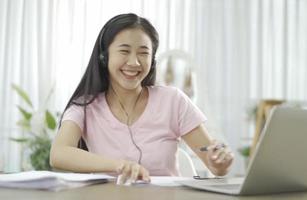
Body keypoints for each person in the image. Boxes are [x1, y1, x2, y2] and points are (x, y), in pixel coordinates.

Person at [50, 13, 234, 184]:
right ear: (104, 57)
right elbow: (59, 154)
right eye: (124, 51)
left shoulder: (173, 100)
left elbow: (214, 165)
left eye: (143, 53)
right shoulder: (84, 106)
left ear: (152, 59)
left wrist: (219, 163)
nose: (134, 62)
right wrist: (119, 165)